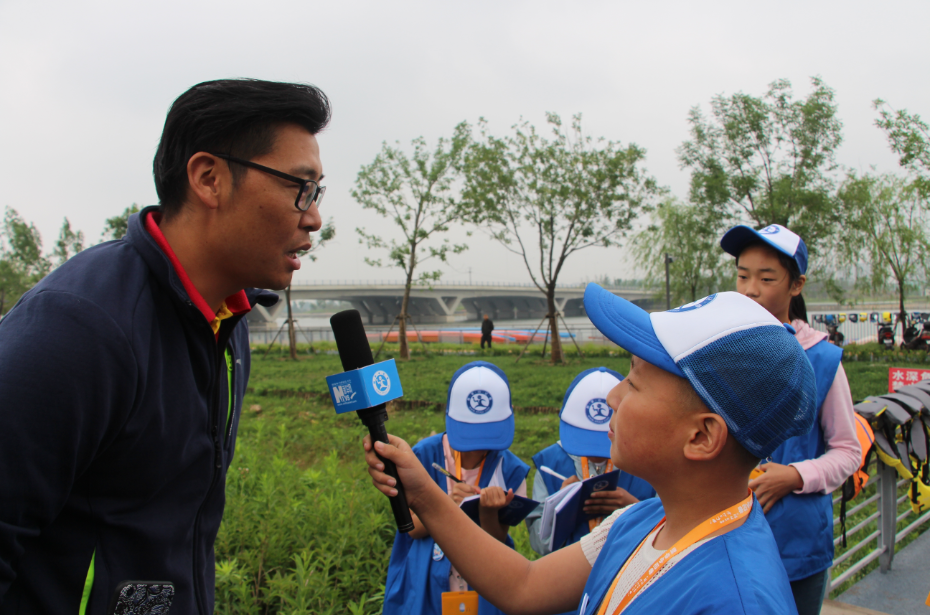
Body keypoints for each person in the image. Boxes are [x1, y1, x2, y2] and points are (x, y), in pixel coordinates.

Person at [0, 79, 330, 614]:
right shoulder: (78, 329)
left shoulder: (228, 323)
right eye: (300, 187)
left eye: (317, 193)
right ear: (209, 178)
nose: (313, 217)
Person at [365, 286, 816, 615]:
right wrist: (423, 492)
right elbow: (524, 584)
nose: (613, 397)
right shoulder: (640, 521)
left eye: (634, 381)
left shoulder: (736, 600)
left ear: (701, 437)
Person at [721, 224, 861, 615]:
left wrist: (795, 476)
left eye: (766, 279)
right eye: (743, 276)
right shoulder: (721, 353)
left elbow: (848, 451)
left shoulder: (822, 360)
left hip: (796, 544)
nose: (750, 289)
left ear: (796, 285)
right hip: (726, 533)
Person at [382, 361, 529, 615]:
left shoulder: (510, 470)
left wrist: (487, 514)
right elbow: (411, 529)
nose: (478, 446)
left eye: (489, 434)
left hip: (485, 591)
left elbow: (498, 542)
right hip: (425, 588)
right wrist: (446, 504)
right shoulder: (423, 456)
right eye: (470, 434)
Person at [526, 367, 655, 559]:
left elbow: (671, 538)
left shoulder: (649, 466)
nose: (596, 454)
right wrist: (561, 512)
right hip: (568, 575)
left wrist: (635, 509)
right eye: (584, 442)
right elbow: (539, 544)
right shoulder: (549, 466)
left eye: (610, 437)